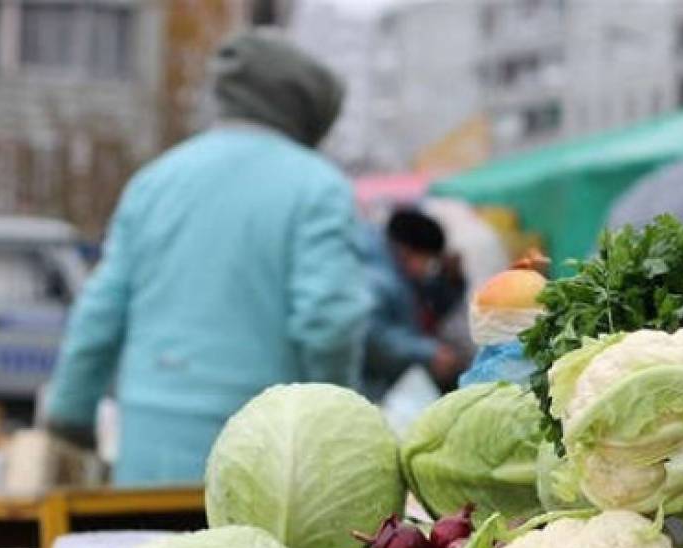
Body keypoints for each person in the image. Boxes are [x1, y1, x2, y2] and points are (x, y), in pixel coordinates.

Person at [44, 30, 369, 485]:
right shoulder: (317, 186)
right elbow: (327, 320)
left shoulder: (155, 180)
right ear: (307, 112)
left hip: (149, 443)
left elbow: (101, 308)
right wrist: (339, 426)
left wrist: (70, 412)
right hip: (267, 452)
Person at [360, 207, 472, 401]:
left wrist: (453, 281)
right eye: (428, 262)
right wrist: (428, 352)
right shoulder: (378, 280)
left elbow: (436, 304)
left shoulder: (395, 273)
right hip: (374, 389)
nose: (428, 271)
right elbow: (372, 335)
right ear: (407, 252)